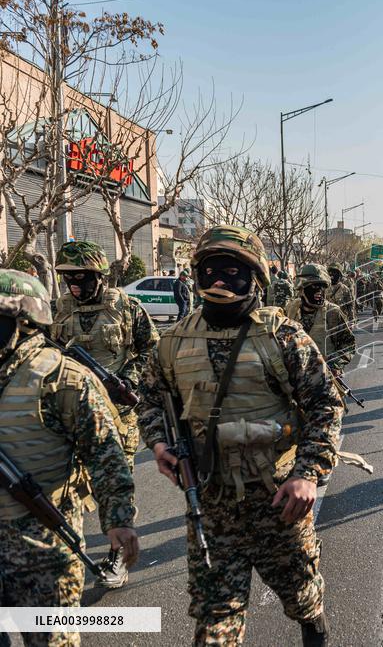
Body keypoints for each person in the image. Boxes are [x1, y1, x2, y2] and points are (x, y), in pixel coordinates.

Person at [138, 226, 346, 646]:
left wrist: (307, 474)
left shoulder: (281, 336)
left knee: (305, 602)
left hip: (278, 501)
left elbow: (326, 404)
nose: (219, 281)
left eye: (232, 272)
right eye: (211, 270)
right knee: (214, 626)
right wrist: (159, 443)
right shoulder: (172, 344)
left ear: (254, 279)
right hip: (212, 508)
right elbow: (149, 401)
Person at [0, 269, 139, 647]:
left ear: (25, 323)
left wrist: (118, 520)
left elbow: (105, 453)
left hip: (43, 552)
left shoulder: (63, 379)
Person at [51, 240, 158, 588]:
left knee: (114, 485)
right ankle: (64, 557)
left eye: (81, 278)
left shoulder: (126, 307)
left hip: (115, 413)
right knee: (66, 485)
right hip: (71, 412)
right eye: (69, 279)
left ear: (99, 276)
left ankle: (116, 556)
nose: (75, 286)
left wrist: (129, 379)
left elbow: (151, 350)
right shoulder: (60, 308)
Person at [285, 264, 356, 375]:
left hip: (324, 378)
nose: (319, 291)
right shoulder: (290, 309)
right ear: (301, 288)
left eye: (322, 286)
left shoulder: (332, 312)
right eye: (314, 286)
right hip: (295, 378)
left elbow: (348, 344)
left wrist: (335, 365)